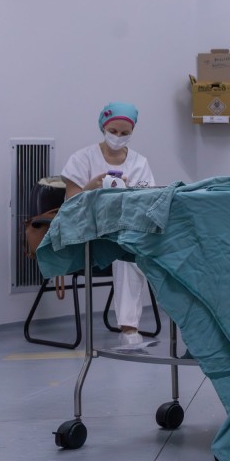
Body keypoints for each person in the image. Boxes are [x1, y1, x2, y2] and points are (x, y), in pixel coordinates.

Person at [61, 102, 157, 351]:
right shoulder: (82, 159)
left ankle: (132, 329)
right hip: (89, 233)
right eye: (113, 131)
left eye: (125, 133)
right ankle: (129, 329)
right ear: (103, 127)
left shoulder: (139, 163)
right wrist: (91, 187)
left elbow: (146, 202)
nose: (118, 137)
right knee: (124, 252)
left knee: (131, 250)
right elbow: (70, 206)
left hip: (125, 232)